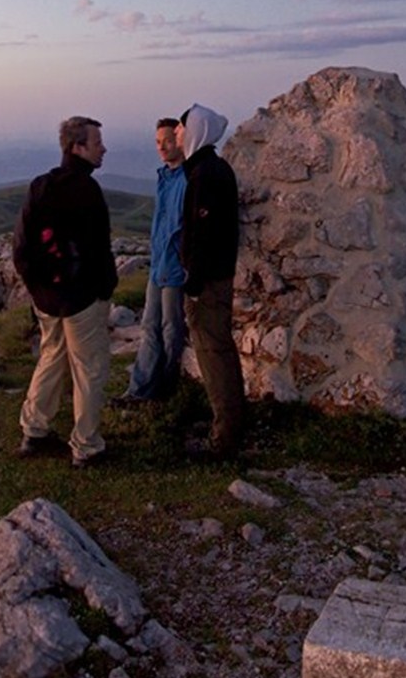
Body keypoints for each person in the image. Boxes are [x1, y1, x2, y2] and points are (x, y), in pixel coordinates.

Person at [13, 115, 118, 469]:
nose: (103, 148)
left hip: (48, 298)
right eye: (97, 142)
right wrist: (104, 289)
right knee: (89, 368)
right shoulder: (87, 191)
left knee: (52, 357)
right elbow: (99, 250)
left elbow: (22, 246)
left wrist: (39, 290)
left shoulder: (40, 186)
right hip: (82, 299)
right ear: (78, 147)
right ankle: (87, 447)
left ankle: (34, 432)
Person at [176, 103, 245, 460]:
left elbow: (203, 232)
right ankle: (229, 423)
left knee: (212, 352)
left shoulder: (204, 175)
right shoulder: (212, 169)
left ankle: (225, 439)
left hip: (209, 281)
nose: (177, 133)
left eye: (181, 128)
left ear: (195, 131)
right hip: (216, 275)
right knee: (218, 348)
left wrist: (194, 281)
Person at [114, 118, 187, 405]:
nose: (161, 147)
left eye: (167, 140)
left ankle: (165, 390)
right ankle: (139, 390)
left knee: (170, 329)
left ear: (179, 141)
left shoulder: (186, 179)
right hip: (159, 265)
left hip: (175, 267)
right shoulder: (164, 177)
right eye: (157, 142)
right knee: (149, 326)